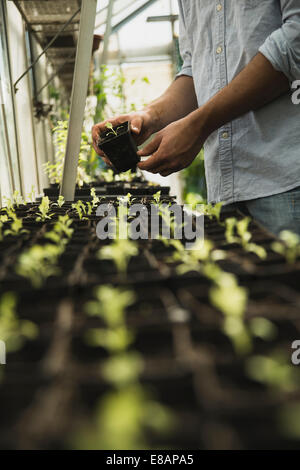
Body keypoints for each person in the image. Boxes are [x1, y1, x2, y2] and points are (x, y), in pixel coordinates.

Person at [92, 1, 300, 236]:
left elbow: (295, 41)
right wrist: (150, 116)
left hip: (287, 181)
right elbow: (196, 70)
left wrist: (199, 125)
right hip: (225, 191)